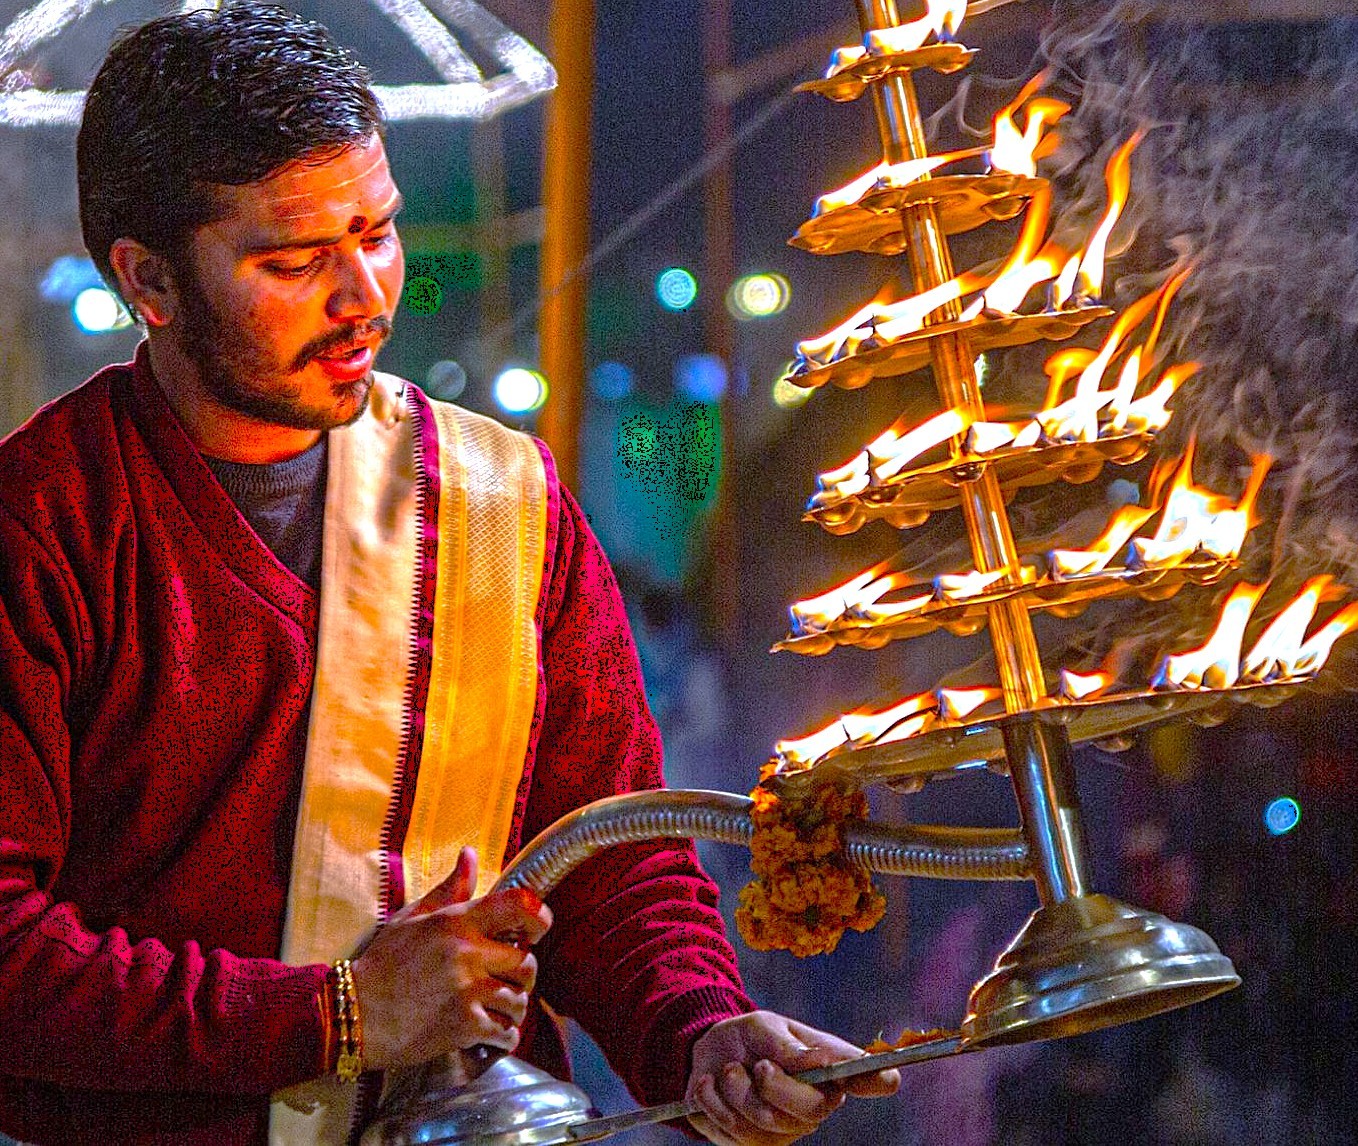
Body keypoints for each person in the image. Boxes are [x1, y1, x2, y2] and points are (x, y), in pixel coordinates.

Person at [0, 6, 896, 1144]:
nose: (364, 295)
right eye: (293, 259)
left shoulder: (496, 502)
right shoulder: (43, 527)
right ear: (149, 277)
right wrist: (343, 1014)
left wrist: (701, 1030)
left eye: (376, 233)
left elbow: (608, 854)